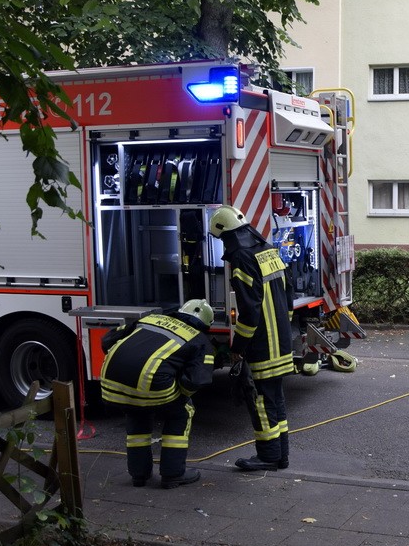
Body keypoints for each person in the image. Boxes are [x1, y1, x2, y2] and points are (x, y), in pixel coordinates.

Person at [209, 204, 295, 472]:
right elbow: (289, 291)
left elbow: (249, 310)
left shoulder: (242, 259)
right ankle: (280, 456)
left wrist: (238, 347)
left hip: (262, 344)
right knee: (275, 399)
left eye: (222, 239)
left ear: (227, 235)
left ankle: (268, 456)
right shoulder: (268, 250)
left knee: (259, 398)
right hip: (281, 338)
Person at [100, 299, 216, 489]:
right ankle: (173, 474)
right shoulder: (200, 340)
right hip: (151, 386)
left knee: (137, 410)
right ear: (206, 325)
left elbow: (107, 340)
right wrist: (181, 394)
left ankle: (139, 475)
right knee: (183, 411)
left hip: (110, 382)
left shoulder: (150, 319)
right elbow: (195, 381)